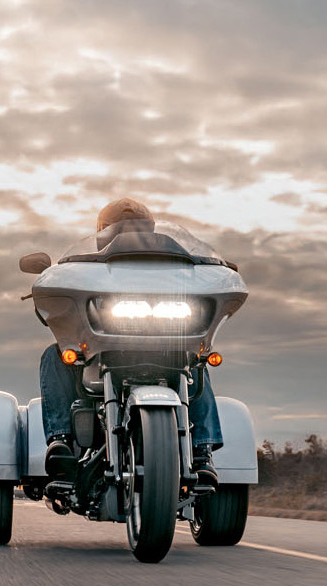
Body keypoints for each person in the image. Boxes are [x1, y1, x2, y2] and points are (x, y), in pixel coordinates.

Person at [41, 197, 223, 484]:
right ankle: (60, 440)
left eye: (138, 228)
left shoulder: (174, 267)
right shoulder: (90, 266)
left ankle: (201, 451)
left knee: (197, 359)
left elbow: (196, 282)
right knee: (56, 354)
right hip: (104, 347)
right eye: (120, 228)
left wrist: (214, 272)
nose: (129, 233)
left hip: (166, 343)